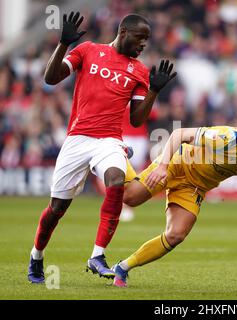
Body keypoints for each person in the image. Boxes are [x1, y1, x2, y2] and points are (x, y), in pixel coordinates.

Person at [27, 11, 177, 283]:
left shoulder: (140, 71)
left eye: (147, 40)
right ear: (123, 33)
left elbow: (136, 118)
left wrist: (154, 91)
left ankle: (97, 255)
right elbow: (51, 79)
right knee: (57, 209)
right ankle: (36, 256)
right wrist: (63, 43)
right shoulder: (88, 50)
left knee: (117, 181)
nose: (144, 44)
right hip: (78, 139)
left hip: (109, 140)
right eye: (140, 38)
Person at [111, 111, 237, 287]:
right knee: (130, 198)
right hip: (177, 165)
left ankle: (122, 268)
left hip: (195, 188)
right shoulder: (227, 138)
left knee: (176, 235)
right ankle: (118, 151)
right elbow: (179, 134)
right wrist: (163, 166)